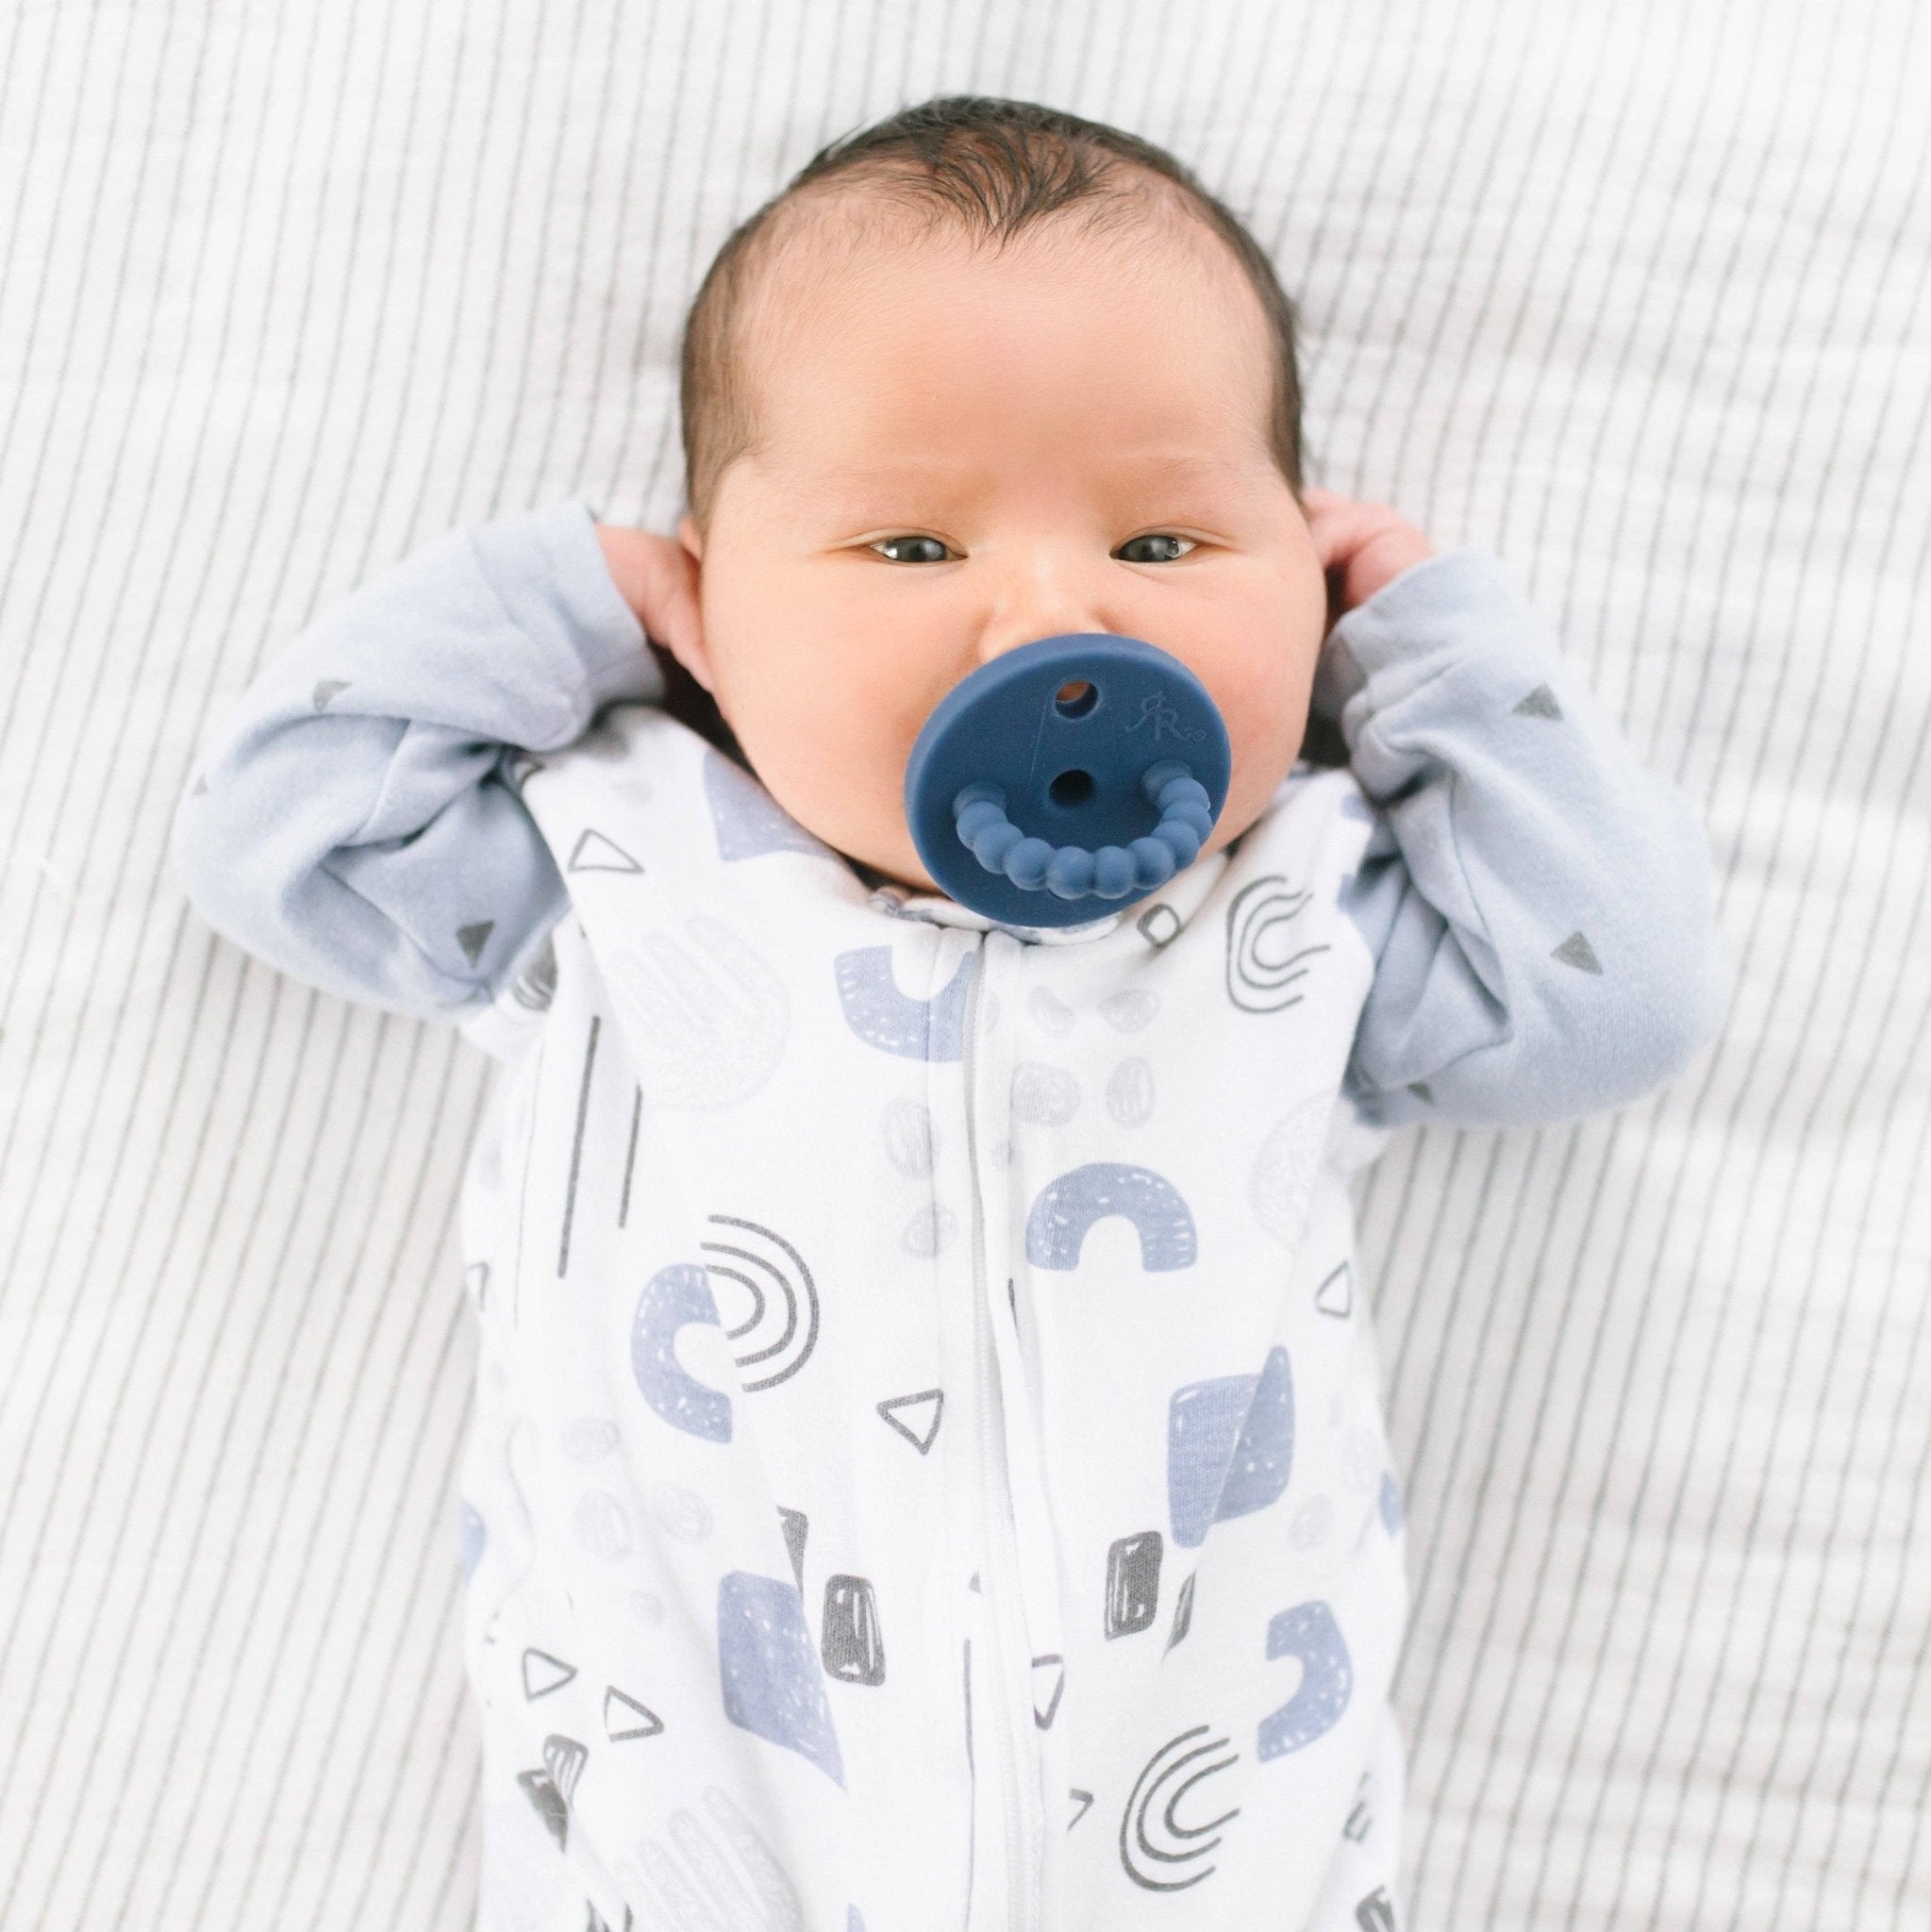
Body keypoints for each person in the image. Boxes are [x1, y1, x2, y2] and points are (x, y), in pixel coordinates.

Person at [172, 95, 1729, 1932]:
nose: (1050, 622)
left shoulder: (1302, 924)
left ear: (1304, 588)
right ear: (708, 606)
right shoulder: (613, 883)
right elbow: (277, 835)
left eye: (1166, 545)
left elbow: (1620, 997)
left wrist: (1428, 648)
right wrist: (573, 603)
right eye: (910, 549)